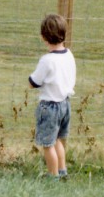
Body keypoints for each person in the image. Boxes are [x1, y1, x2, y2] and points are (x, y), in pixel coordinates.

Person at [28, 12, 76, 178]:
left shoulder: (47, 60)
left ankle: (53, 176)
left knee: (48, 144)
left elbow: (34, 81)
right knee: (58, 140)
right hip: (65, 103)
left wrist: (30, 82)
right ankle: (62, 171)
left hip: (50, 106)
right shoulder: (69, 55)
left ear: (43, 37)